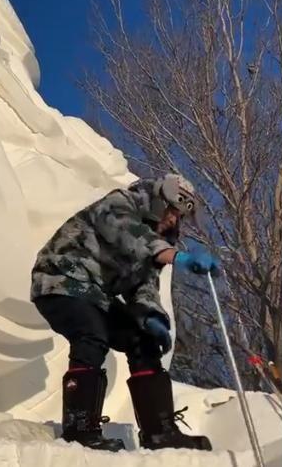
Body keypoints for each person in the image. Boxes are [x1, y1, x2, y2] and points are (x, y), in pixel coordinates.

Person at [31, 173, 219, 452]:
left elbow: (143, 283)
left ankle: (160, 432)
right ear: (158, 200)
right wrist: (175, 256)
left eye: (179, 215)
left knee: (142, 340)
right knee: (91, 333)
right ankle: (80, 428)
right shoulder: (120, 205)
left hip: (96, 293)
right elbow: (127, 233)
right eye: (170, 210)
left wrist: (150, 316)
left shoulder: (155, 238)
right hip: (60, 278)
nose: (172, 219)